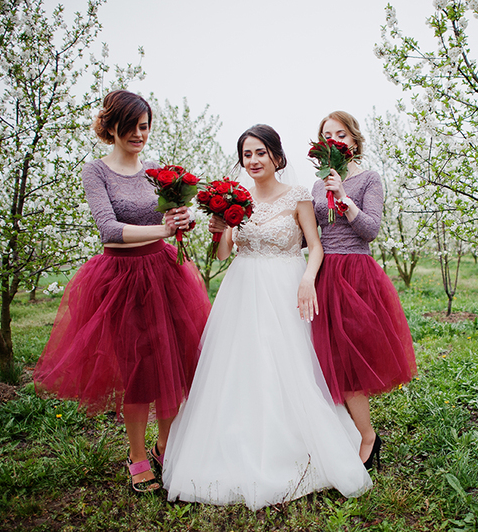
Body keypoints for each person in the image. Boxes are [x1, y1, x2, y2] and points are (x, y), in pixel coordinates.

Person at [162, 124, 372, 510]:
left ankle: (303, 441)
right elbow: (224, 255)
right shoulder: (234, 199)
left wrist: (308, 281)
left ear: (276, 156)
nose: (253, 161)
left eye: (260, 152)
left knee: (290, 365)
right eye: (247, 154)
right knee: (241, 366)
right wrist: (221, 228)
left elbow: (315, 246)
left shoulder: (297, 196)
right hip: (243, 288)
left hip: (288, 286)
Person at [34, 90, 211, 493]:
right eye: (131, 126)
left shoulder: (153, 170)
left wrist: (179, 217)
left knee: (172, 360)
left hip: (165, 272)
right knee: (138, 369)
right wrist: (163, 229)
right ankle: (136, 455)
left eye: (144, 126)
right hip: (122, 278)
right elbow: (109, 230)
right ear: (111, 127)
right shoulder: (96, 171)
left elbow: (166, 216)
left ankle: (165, 445)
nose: (138, 134)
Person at [311, 111, 417, 469]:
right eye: (327, 135)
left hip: (355, 273)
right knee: (325, 359)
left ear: (354, 140)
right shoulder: (315, 183)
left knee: (350, 359)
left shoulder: (369, 179)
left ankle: (368, 437)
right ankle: (344, 433)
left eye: (341, 134)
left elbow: (371, 229)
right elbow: (309, 233)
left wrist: (343, 196)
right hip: (322, 272)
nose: (334, 140)